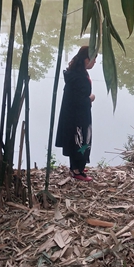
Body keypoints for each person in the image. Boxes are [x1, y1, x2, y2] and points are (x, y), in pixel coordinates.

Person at [56, 46, 96, 181]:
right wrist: (91, 98)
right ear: (86, 60)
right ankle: (76, 170)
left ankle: (78, 166)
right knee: (81, 141)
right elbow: (79, 100)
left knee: (80, 140)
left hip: (73, 115)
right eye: (94, 59)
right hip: (78, 116)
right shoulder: (79, 77)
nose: (95, 62)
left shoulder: (76, 73)